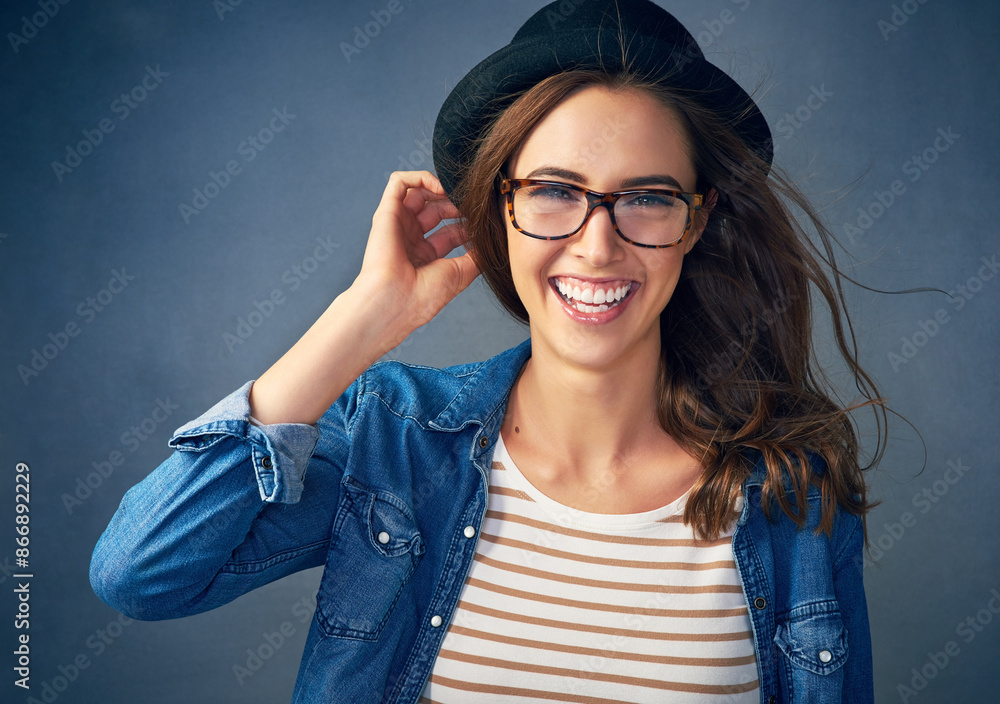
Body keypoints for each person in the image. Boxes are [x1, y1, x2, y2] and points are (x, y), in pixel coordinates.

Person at [91, 1, 883, 702]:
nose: (597, 245)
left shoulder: (794, 495)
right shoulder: (394, 444)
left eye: (646, 198)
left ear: (697, 220)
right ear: (498, 207)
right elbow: (142, 573)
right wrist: (363, 319)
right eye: (554, 191)